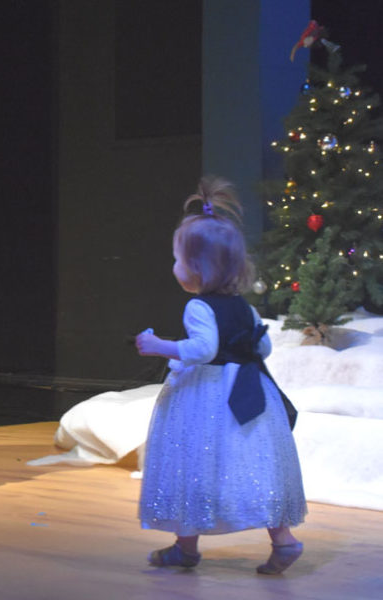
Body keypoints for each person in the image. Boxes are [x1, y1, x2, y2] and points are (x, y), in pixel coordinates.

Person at [134, 176, 306, 574]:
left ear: (196, 267)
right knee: (253, 464)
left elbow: (203, 350)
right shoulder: (242, 306)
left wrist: (160, 345)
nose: (174, 266)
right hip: (249, 392)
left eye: (177, 259)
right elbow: (263, 347)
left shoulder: (198, 308)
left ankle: (186, 547)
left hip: (208, 394)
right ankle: (283, 540)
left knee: (192, 463)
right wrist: (242, 353)